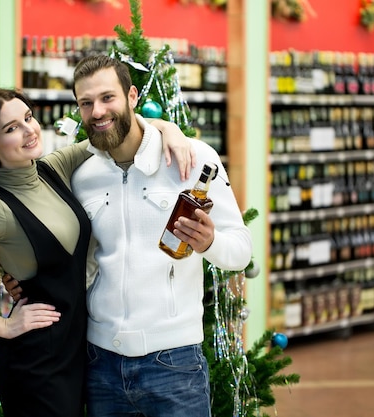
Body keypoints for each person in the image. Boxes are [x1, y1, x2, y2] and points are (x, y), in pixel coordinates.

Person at [0, 88, 196, 417]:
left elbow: (111, 131)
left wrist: (169, 129)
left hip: (76, 352)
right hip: (36, 366)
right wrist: (3, 327)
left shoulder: (52, 168)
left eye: (28, 118)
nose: (29, 130)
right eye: (11, 128)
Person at [70, 55, 253, 417]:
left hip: (174, 365)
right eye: (85, 103)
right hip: (100, 362)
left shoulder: (192, 158)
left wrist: (211, 243)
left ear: (132, 96)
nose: (97, 111)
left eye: (108, 98)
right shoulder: (82, 175)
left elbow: (242, 250)